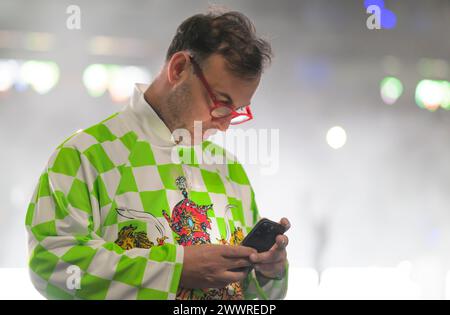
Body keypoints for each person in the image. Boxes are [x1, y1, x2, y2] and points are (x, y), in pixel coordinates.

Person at [25, 8, 290, 300]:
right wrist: (173, 269)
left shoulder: (228, 168)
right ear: (178, 69)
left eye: (237, 112)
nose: (226, 125)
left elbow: (253, 297)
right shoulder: (85, 155)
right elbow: (50, 264)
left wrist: (269, 272)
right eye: (221, 103)